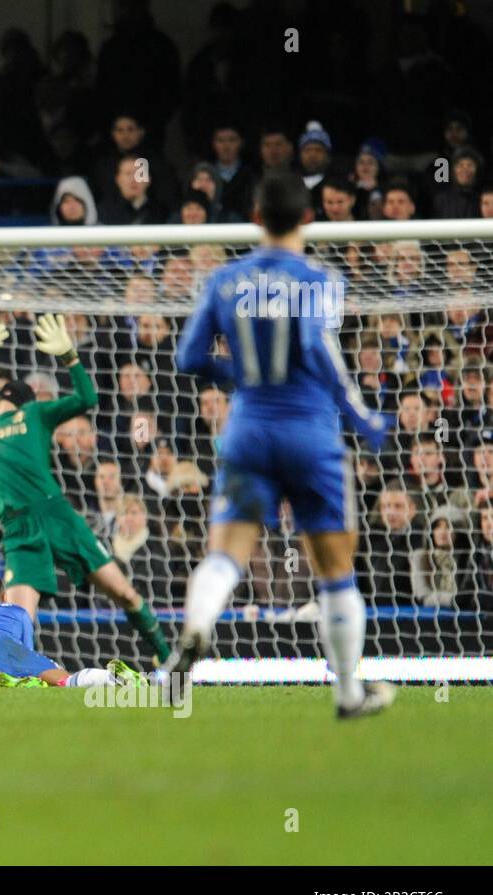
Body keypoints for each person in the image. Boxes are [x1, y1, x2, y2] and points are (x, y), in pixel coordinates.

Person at [171, 172, 393, 719]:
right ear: (309, 219)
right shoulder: (320, 280)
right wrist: (361, 417)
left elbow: (188, 359)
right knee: (335, 567)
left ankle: (197, 627)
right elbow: (319, 349)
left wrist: (241, 375)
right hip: (311, 434)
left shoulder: (224, 280)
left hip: (247, 431)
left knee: (226, 553)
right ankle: (347, 695)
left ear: (254, 218)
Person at [0, 314, 171, 664]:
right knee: (17, 620)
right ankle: (16, 682)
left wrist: (70, 357)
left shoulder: (34, 414)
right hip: (20, 529)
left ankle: (169, 659)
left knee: (124, 592)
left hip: (57, 515)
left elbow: (87, 398)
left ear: (7, 398)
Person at [0, 572, 143, 688]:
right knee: (63, 679)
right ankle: (111, 677)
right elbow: (25, 650)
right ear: (3, 597)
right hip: (4, 644)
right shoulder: (16, 611)